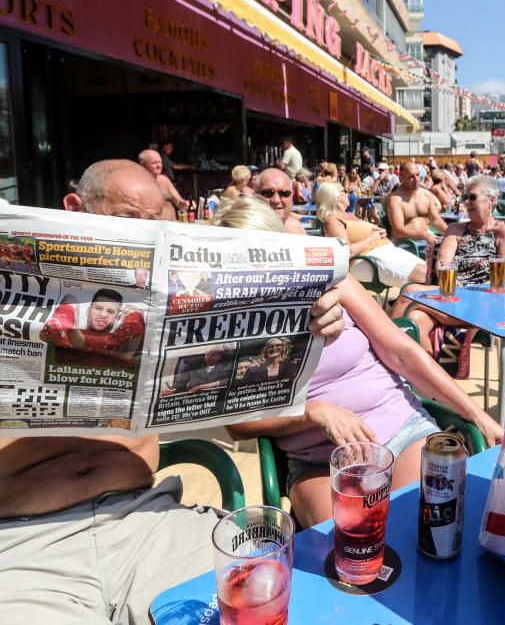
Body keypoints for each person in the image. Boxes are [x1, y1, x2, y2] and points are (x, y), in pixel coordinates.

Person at [0, 159, 345, 622]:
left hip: (147, 517)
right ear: (74, 208)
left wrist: (311, 326)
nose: (142, 232)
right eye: (127, 220)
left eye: (153, 222)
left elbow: (237, 411)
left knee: (279, 597)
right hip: (26, 542)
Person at [215, 197, 503, 529]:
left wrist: (477, 415)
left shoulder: (331, 279)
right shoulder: (225, 323)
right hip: (319, 462)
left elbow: (401, 352)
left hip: (398, 430)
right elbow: (237, 425)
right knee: (349, 543)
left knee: (434, 521)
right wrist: (313, 411)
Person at [391, 176, 505, 354]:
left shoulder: (503, 232)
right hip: (449, 297)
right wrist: (456, 286)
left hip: (481, 304)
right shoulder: (456, 229)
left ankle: (383, 353)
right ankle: (425, 378)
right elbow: (443, 264)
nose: (467, 202)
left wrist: (470, 291)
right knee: (416, 319)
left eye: (472, 197)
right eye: (465, 197)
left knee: (409, 293)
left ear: (492, 200)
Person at [315, 182, 426, 287]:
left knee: (430, 271)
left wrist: (379, 231)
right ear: (336, 197)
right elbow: (346, 252)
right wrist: (371, 239)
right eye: (344, 191)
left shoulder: (350, 215)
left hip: (386, 251)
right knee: (423, 274)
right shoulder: (332, 221)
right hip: (368, 258)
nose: (348, 193)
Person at [41, 288, 146, 369]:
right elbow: (45, 336)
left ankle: (132, 318)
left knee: (137, 317)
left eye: (110, 311)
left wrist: (133, 315)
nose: (103, 314)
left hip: (110, 389)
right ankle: (61, 318)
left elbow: (129, 352)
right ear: (88, 311)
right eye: (98, 308)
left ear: (117, 317)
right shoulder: (72, 332)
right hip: (69, 336)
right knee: (70, 298)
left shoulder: (122, 340)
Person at [385, 161, 448, 243]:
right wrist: (425, 235)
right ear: (401, 178)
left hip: (425, 240)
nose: (416, 179)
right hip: (406, 244)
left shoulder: (426, 195)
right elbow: (398, 231)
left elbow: (436, 220)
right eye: (411, 177)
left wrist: (450, 234)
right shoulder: (395, 199)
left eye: (418, 175)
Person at [138, 149, 186, 220]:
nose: (159, 165)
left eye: (160, 162)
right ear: (143, 165)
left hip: (170, 224)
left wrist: (186, 204)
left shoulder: (164, 180)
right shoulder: (138, 183)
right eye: (154, 163)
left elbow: (179, 202)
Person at [255, 167, 306, 234]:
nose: (276, 200)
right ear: (255, 196)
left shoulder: (296, 229)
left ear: (292, 196)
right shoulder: (245, 230)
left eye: (284, 193)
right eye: (268, 193)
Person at [164, 345, 232, 395]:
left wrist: (213, 385)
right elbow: (180, 382)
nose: (208, 357)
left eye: (213, 355)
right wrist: (172, 390)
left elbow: (234, 380)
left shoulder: (228, 365)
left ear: (221, 356)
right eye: (207, 354)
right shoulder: (193, 364)